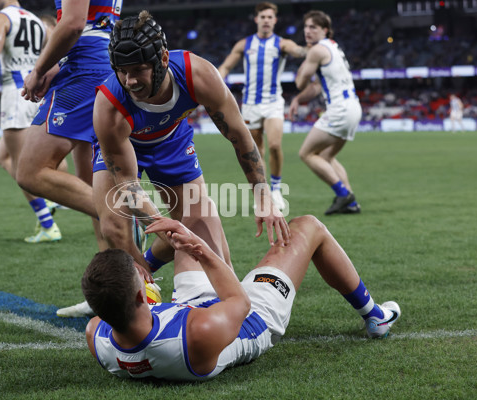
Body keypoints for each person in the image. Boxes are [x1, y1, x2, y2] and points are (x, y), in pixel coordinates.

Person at [55, 10, 291, 318]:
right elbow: (127, 184)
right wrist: (165, 229)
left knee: (199, 223)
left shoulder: (199, 74)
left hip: (172, 142)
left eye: (138, 69)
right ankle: (138, 294)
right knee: (114, 227)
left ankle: (177, 276)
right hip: (123, 150)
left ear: (163, 58)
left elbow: (241, 138)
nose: (130, 81)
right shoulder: (108, 106)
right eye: (122, 71)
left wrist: (264, 197)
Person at [82, 214, 401, 380]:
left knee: (196, 215)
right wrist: (198, 248)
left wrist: (183, 234)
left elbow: (130, 318)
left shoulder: (96, 333)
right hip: (251, 318)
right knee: (308, 227)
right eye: (143, 277)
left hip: (186, 307)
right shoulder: (197, 335)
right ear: (141, 294)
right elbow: (238, 301)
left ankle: (185, 233)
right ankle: (375, 316)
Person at [17, 0, 123, 250]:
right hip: (101, 60)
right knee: (92, 182)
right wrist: (57, 63)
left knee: (31, 171)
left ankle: (125, 220)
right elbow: (97, 21)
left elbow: (74, 24)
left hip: (84, 69)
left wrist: (39, 69)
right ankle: (122, 282)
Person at [0, 0, 62, 243]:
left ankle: (49, 220)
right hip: (36, 94)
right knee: (3, 156)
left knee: (23, 171)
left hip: (15, 95)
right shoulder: (36, 21)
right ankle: (48, 209)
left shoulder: (1, 19)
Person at [218, 2, 307, 211]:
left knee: (275, 145)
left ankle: (276, 187)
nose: (266, 20)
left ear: (275, 20)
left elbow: (296, 50)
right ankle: (265, 193)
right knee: (256, 152)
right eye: (263, 17)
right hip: (250, 104)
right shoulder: (244, 44)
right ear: (256, 19)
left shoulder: (281, 43)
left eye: (270, 17)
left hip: (273, 102)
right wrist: (218, 81)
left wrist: (307, 50)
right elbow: (225, 67)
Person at [289, 10, 362, 215]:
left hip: (339, 110)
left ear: (325, 30)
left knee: (306, 153)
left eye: (313, 27)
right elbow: (316, 87)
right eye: (306, 27)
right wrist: (297, 100)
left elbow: (300, 82)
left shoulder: (317, 51)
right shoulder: (333, 48)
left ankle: (343, 195)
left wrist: (305, 57)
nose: (308, 31)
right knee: (326, 156)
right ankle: (351, 202)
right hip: (353, 108)